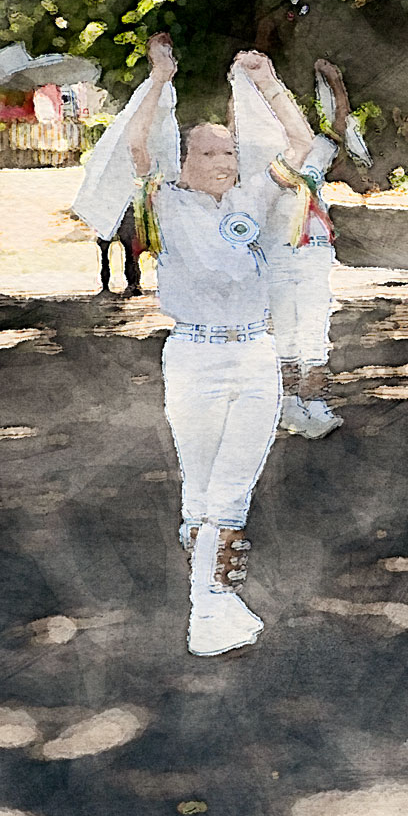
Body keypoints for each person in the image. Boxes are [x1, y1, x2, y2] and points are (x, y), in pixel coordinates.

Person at [128, 35, 332, 657]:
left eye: (229, 149)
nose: (223, 158)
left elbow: (302, 145)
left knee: (234, 484)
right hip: (194, 356)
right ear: (184, 158)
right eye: (209, 150)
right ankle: (212, 589)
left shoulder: (253, 195)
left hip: (254, 356)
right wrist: (162, 76)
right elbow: (138, 143)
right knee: (200, 486)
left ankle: (210, 603)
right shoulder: (166, 198)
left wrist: (270, 85)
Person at [265, 58, 352, 439]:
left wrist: (336, 84)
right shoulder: (262, 158)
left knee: (316, 324)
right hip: (278, 250)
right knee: (283, 326)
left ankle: (315, 402)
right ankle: (286, 405)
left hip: (315, 249)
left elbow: (339, 127)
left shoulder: (316, 151)